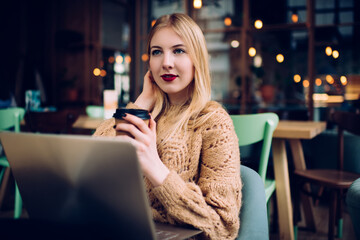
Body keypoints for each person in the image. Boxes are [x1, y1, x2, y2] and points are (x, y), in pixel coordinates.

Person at [94, 13, 241, 239]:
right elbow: (92, 161)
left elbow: (222, 227)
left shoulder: (213, 122)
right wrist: (142, 101)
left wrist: (155, 168)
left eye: (179, 50)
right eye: (157, 52)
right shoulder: (145, 113)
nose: (166, 63)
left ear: (197, 59)